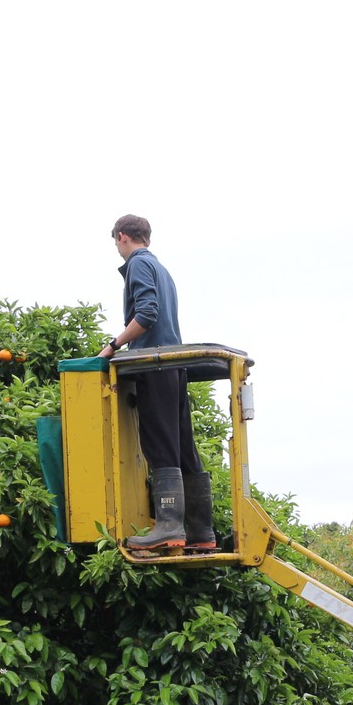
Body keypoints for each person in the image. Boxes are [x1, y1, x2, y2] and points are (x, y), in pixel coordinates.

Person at [99, 214, 214, 553]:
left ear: (122, 237)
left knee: (160, 444)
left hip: (155, 364)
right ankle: (202, 531)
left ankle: (168, 526)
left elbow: (146, 314)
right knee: (182, 446)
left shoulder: (138, 264)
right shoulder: (162, 269)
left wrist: (114, 345)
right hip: (175, 367)